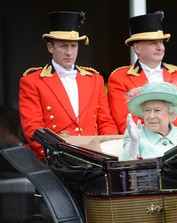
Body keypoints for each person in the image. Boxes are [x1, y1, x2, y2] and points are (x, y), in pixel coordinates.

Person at [19, 11, 119, 159]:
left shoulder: (95, 79)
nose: (69, 52)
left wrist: (110, 151)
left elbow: (106, 122)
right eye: (63, 46)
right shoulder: (32, 81)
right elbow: (33, 129)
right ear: (50, 47)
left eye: (73, 46)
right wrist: (59, 155)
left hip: (95, 159)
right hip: (56, 160)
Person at [108, 10, 177, 134]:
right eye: (153, 43)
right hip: (144, 147)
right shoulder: (120, 78)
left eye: (161, 42)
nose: (160, 47)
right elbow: (125, 122)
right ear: (137, 48)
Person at [123, 81, 177, 160]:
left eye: (157, 110)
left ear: (171, 113)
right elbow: (128, 166)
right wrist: (134, 144)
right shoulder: (135, 135)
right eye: (147, 110)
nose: (151, 116)